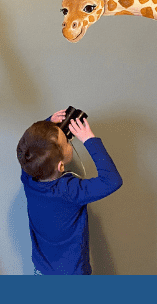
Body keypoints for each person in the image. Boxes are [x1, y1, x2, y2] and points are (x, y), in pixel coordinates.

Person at [16, 110, 122, 275]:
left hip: (42, 270)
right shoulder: (70, 190)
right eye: (67, 142)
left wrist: (49, 123)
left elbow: (30, 148)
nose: (69, 142)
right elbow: (111, 180)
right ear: (61, 166)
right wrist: (89, 139)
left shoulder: (29, 177)